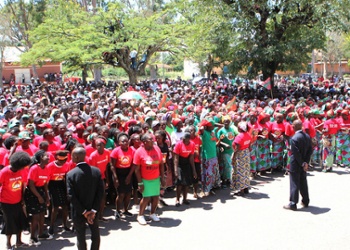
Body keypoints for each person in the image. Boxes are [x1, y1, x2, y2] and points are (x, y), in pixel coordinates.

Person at [66, 147, 104, 250]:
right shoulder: (96, 171)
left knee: (80, 236)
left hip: (78, 212)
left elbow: (71, 196)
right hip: (93, 210)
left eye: (72, 156)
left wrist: (84, 212)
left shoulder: (71, 174)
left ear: (76, 157)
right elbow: (100, 192)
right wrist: (93, 210)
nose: (71, 158)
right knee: (95, 234)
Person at [0, 151, 32, 250]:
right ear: (18, 164)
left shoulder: (20, 171)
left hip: (18, 201)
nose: (24, 168)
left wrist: (22, 198)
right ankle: (8, 244)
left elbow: (22, 184)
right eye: (23, 166)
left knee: (20, 222)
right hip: (6, 203)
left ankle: (19, 241)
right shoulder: (4, 172)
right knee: (9, 223)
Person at [133, 133, 165, 225]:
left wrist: (162, 178)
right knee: (146, 198)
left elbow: (161, 164)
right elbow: (137, 169)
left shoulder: (157, 149)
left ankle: (152, 214)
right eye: (151, 139)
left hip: (155, 178)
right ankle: (140, 215)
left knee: (155, 197)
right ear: (145, 142)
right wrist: (140, 183)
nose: (153, 140)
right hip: (145, 179)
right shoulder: (139, 152)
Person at [283, 120, 313, 211]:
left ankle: (293, 203)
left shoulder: (294, 138)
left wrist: (302, 163)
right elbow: (309, 151)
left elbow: (296, 153)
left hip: (296, 164)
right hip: (304, 162)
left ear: (293, 127)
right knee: (303, 182)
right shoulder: (307, 137)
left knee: (294, 183)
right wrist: (306, 163)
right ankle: (305, 201)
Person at [24, 150, 52, 245]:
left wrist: (47, 196)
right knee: (35, 216)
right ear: (41, 158)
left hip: (41, 191)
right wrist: (39, 197)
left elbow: (45, 184)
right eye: (46, 156)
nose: (48, 158)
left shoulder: (47, 168)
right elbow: (31, 185)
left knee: (42, 214)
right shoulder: (34, 168)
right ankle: (32, 237)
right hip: (32, 192)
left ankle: (40, 234)